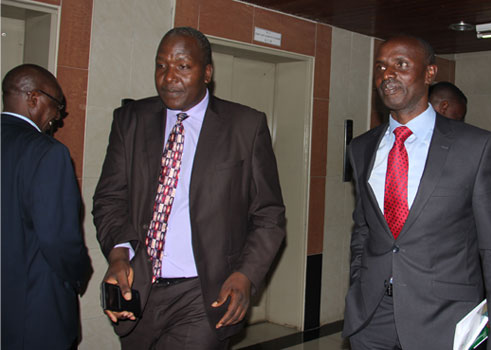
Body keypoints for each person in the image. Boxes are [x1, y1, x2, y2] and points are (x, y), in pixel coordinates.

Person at [92, 27, 286, 349]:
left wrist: (245, 275)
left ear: (207, 72)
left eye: (182, 67)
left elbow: (269, 214)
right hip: (139, 287)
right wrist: (118, 254)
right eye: (161, 65)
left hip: (204, 293)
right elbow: (110, 198)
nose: (169, 78)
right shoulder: (130, 121)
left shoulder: (245, 127)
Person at [342, 36, 491, 349]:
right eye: (381, 67)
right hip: (371, 318)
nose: (387, 74)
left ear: (429, 73)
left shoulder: (475, 146)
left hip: (444, 319)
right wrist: (359, 281)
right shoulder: (362, 148)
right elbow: (364, 229)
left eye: (401, 65)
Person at [1, 64, 91, 349]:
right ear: (34, 98)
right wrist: (81, 274)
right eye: (58, 106)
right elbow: (59, 238)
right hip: (34, 316)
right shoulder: (48, 153)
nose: (59, 118)